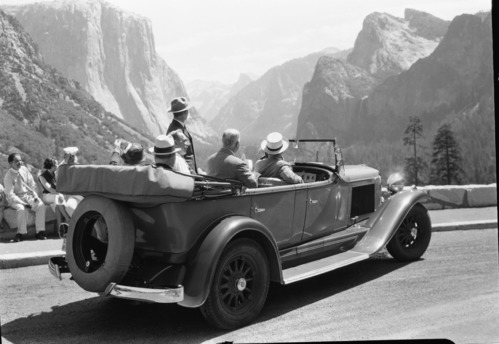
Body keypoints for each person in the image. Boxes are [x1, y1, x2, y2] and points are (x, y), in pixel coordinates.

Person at [3, 153, 47, 241]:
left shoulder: (24, 170)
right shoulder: (8, 176)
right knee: (21, 209)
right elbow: (10, 194)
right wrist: (22, 202)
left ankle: (39, 232)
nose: (20, 162)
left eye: (20, 160)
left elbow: (32, 184)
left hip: (27, 196)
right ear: (11, 163)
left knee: (40, 205)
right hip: (15, 198)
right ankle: (20, 233)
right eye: (17, 161)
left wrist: (35, 195)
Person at [166, 97, 198, 174]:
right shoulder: (175, 131)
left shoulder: (178, 126)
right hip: (185, 173)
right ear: (185, 113)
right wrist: (195, 176)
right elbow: (182, 157)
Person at [38, 157, 71, 223]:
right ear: (51, 166)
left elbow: (61, 165)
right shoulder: (42, 177)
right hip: (47, 196)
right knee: (58, 197)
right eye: (56, 164)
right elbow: (50, 189)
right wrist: (60, 194)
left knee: (57, 209)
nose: (57, 165)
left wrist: (66, 159)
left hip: (55, 195)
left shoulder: (54, 172)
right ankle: (67, 218)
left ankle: (60, 229)